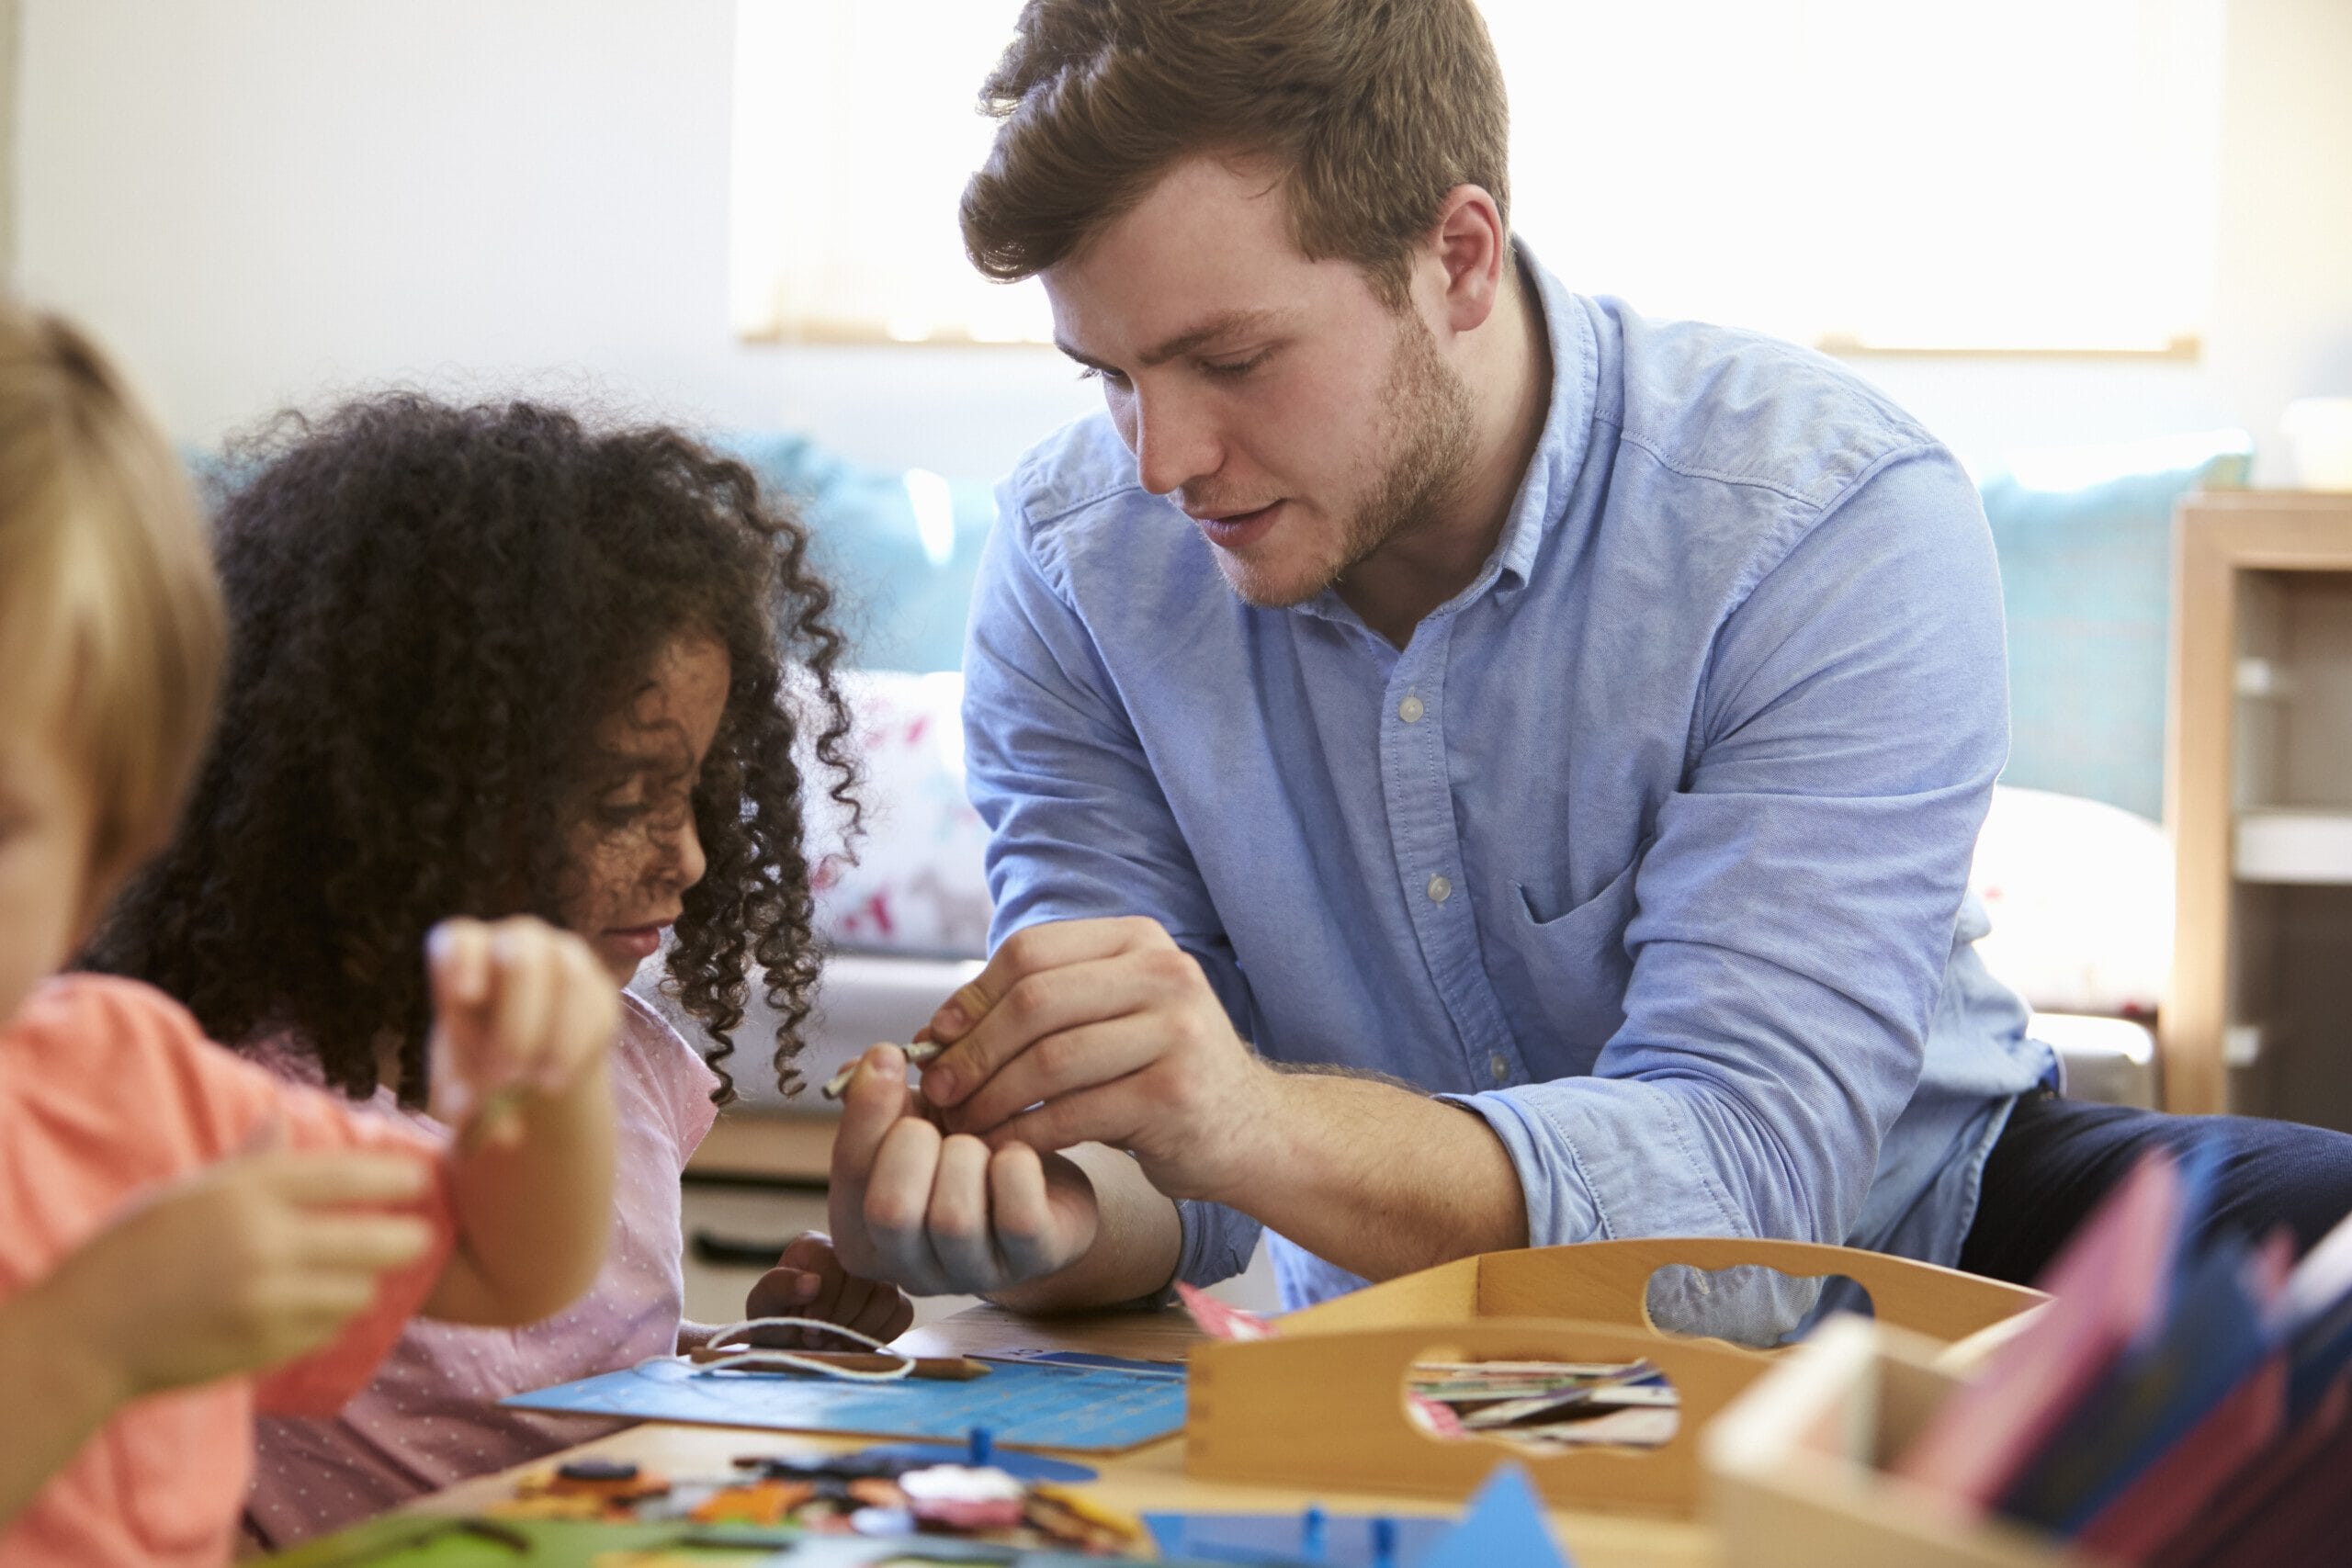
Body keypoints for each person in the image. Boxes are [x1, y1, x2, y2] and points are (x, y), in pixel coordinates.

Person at [822, 0, 2352, 1339]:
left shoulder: (1823, 517)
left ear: (1459, 257)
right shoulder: (1076, 567)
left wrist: (1247, 1117)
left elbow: (1750, 1195)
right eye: (1107, 374)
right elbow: (1166, 1170)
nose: (1160, 460)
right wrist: (1031, 1216)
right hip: (1403, 1330)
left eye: (1228, 361)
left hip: (1911, 1244)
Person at [87, 395, 911, 1545]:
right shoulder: (237, 1114)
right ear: (406, 799)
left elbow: (543, 1385)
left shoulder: (618, 1060)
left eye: (699, 795)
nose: (688, 858)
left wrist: (742, 1358)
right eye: (625, 802)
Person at [0, 302, 619, 1566]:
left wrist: (545, 1094)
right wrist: (87, 1342)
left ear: (103, 850)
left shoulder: (125, 1086)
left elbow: (502, 1264)